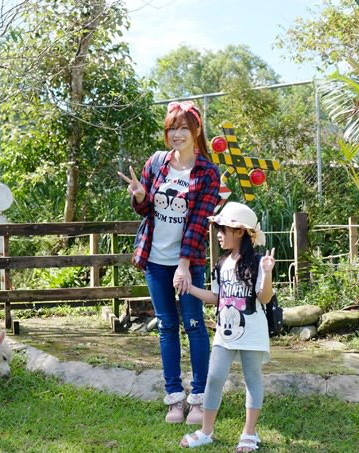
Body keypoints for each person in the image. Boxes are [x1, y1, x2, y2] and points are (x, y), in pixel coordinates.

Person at [118, 101, 220, 425]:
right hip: (155, 261)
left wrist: (185, 264)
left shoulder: (206, 172)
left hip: (188, 263)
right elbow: (147, 212)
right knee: (166, 326)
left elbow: (198, 223)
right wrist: (139, 196)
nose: (176, 135)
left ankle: (200, 399)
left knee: (194, 325)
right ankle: (175, 399)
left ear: (196, 131)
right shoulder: (157, 163)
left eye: (183, 129)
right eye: (171, 129)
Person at [177, 201, 275, 451]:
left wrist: (268, 272)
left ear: (240, 231)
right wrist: (190, 289)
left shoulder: (257, 262)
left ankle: (249, 434)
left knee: (252, 378)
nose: (218, 235)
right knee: (214, 378)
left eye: (223, 230)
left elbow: (263, 298)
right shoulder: (221, 264)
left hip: (252, 332)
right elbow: (216, 298)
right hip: (225, 332)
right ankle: (206, 431)